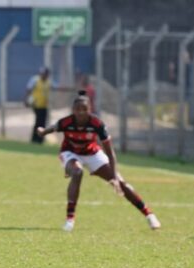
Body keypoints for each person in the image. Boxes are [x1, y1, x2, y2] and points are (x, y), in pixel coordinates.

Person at [36, 91, 161, 232]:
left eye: (84, 109)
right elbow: (53, 127)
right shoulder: (67, 122)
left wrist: (114, 177)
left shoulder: (97, 124)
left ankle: (149, 214)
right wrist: (42, 131)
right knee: (77, 172)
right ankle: (70, 220)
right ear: (73, 110)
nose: (81, 112)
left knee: (121, 183)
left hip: (92, 153)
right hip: (71, 153)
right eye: (78, 109)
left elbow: (110, 152)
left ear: (90, 109)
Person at [25, 67, 53, 144]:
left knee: (42, 123)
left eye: (45, 74)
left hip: (44, 105)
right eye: (42, 74)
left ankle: (40, 140)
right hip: (36, 104)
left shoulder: (48, 82)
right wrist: (26, 100)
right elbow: (28, 89)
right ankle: (35, 139)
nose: (43, 75)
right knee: (38, 122)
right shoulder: (35, 80)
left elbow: (56, 87)